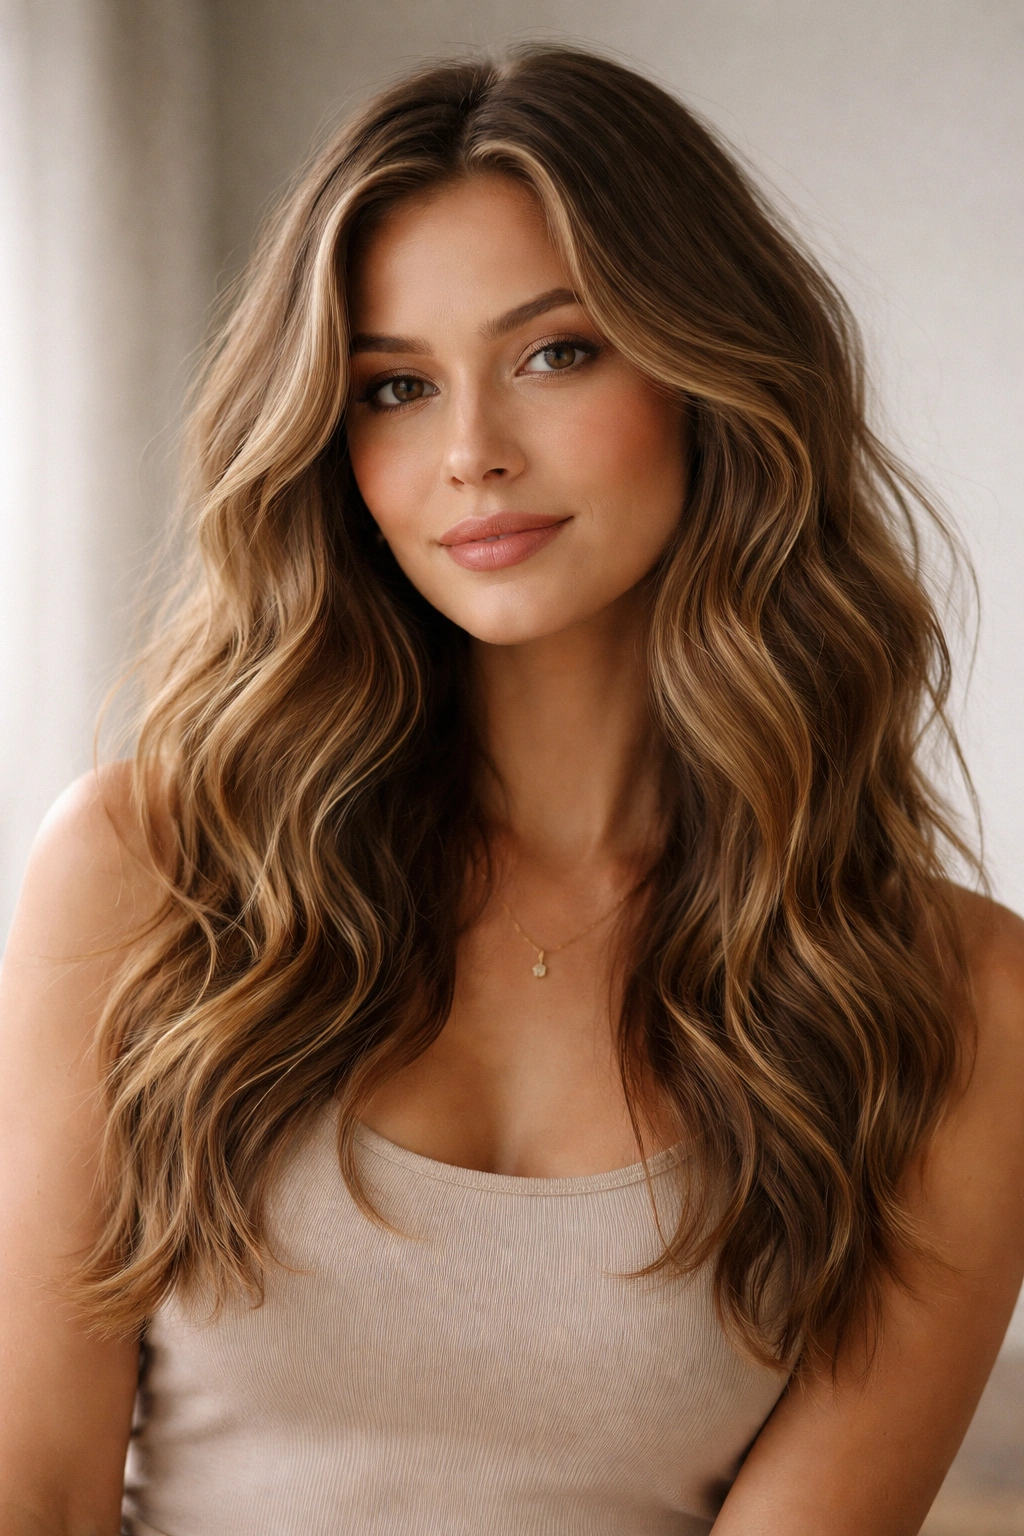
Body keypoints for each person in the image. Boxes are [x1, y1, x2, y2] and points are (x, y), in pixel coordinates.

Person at [1, 42, 1022, 1536]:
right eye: (396, 388)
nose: (470, 454)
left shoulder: (953, 1002)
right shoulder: (148, 872)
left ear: (709, 376)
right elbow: (33, 1490)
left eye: (557, 353)